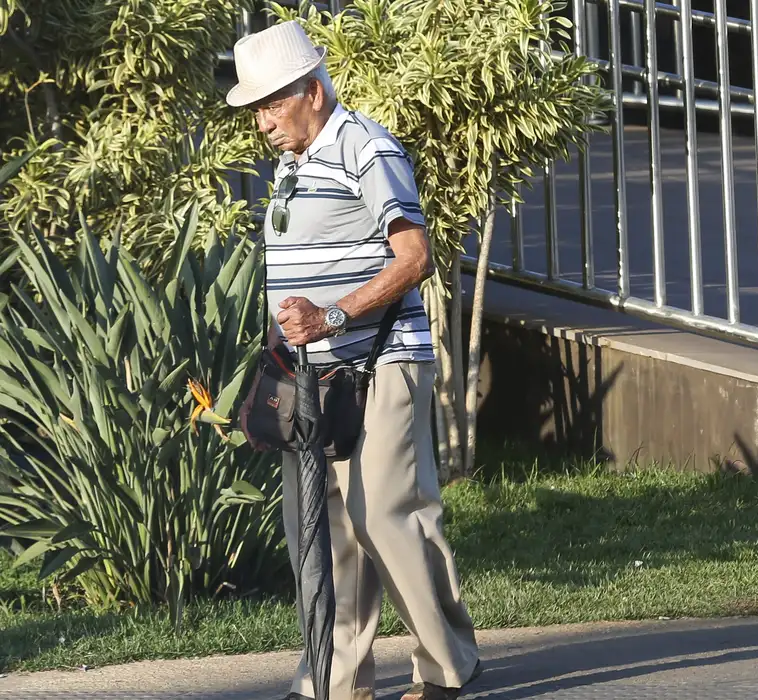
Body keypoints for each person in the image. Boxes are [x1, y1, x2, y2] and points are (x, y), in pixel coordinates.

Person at [227, 20, 482, 700]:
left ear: (311, 90)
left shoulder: (365, 146)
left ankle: (448, 667)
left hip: (382, 358)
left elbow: (415, 257)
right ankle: (336, 682)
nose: (262, 122)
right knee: (319, 528)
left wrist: (333, 315)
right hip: (310, 373)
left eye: (271, 103)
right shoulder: (292, 162)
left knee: (387, 514)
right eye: (255, 108)